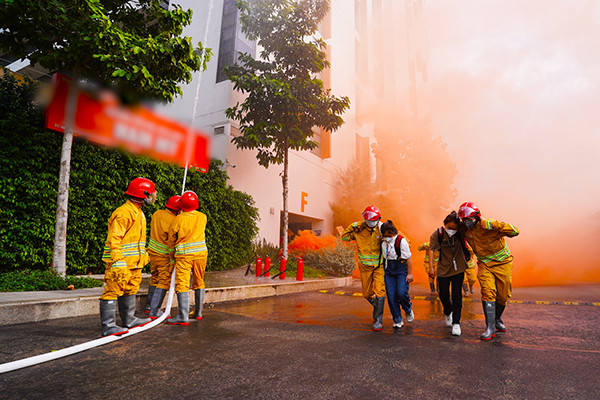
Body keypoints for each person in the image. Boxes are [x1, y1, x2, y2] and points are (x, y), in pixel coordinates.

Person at [98, 177, 156, 337]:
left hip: (134, 264)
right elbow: (114, 239)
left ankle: (129, 319)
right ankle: (108, 326)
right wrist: (117, 261)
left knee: (130, 289)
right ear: (142, 194)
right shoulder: (123, 213)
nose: (152, 197)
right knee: (112, 290)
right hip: (121, 264)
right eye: (150, 194)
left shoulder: (138, 212)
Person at [458, 201, 519, 340]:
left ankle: (497, 319)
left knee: (503, 295)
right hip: (485, 264)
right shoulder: (464, 229)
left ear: (477, 216)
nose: (466, 222)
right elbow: (457, 235)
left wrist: (496, 225)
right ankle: (490, 327)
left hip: (503, 263)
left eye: (468, 219)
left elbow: (515, 231)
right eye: (463, 219)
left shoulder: (489, 226)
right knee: (487, 292)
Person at [164, 190, 208, 326]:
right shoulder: (202, 217)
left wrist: (172, 256)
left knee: (182, 284)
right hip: (201, 254)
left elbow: (171, 240)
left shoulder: (178, 219)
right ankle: (198, 313)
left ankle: (183, 316)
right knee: (199, 280)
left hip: (184, 256)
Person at [341, 205, 386, 331]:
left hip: (379, 266)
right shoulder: (358, 229)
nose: (370, 223)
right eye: (368, 220)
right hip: (365, 267)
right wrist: (352, 226)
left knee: (380, 290)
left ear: (378, 219)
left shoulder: (381, 228)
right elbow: (344, 237)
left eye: (373, 220)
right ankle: (376, 307)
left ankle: (378, 320)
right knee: (366, 294)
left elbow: (394, 237)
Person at [429, 211, 469, 336]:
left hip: (458, 268)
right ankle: (448, 311)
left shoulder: (461, 231)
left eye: (454, 228)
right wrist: (431, 268)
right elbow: (431, 249)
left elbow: (470, 223)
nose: (452, 230)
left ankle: (456, 323)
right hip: (443, 269)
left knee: (457, 295)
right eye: (449, 228)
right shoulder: (438, 234)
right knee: (443, 294)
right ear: (444, 225)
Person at [144, 195, 180, 315]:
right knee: (164, 281)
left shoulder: (157, 214)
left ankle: (149, 306)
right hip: (163, 256)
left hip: (152, 254)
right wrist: (172, 259)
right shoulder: (173, 221)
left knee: (154, 278)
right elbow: (171, 242)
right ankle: (155, 311)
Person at [380, 220, 414, 329]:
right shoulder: (383, 242)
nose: (386, 237)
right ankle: (397, 319)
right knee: (391, 295)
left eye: (388, 235)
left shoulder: (401, 241)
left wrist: (409, 274)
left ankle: (408, 309)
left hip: (401, 268)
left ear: (393, 233)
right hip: (389, 269)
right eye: (384, 236)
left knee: (401, 292)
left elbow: (408, 258)